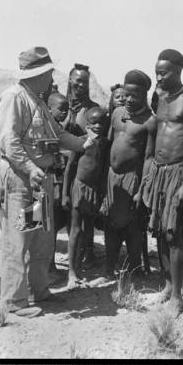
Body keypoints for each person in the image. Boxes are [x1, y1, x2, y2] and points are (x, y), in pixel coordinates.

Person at [0, 46, 97, 318]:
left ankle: (37, 291)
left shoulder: (37, 100)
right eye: (48, 72)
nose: (52, 77)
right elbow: (8, 140)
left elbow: (58, 134)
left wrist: (83, 143)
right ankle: (15, 301)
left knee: (39, 239)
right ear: (37, 74)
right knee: (19, 241)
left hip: (36, 183)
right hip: (21, 181)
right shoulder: (14, 98)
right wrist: (28, 167)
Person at [138, 49, 183, 314]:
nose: (158, 77)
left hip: (179, 172)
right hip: (159, 171)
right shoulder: (159, 97)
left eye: (163, 73)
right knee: (160, 233)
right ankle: (167, 286)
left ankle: (178, 295)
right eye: (156, 72)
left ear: (178, 71)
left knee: (173, 233)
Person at [101, 70, 155, 276]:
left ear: (145, 95)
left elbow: (149, 158)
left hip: (132, 178)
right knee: (110, 224)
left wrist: (142, 188)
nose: (130, 100)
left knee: (132, 226)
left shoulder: (149, 121)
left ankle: (135, 269)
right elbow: (109, 146)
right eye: (127, 94)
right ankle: (108, 268)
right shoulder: (116, 114)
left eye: (136, 95)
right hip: (111, 177)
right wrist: (102, 182)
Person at [64, 106, 110, 289]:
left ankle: (83, 265)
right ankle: (71, 273)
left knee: (88, 229)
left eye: (101, 122)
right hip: (79, 188)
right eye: (93, 122)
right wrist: (65, 195)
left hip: (94, 190)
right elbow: (69, 169)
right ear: (87, 124)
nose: (97, 126)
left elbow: (104, 169)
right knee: (76, 230)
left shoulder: (106, 144)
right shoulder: (81, 142)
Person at [63, 63, 100, 266]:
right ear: (70, 80)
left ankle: (87, 252)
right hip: (59, 166)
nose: (81, 85)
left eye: (85, 82)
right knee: (62, 212)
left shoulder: (92, 110)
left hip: (80, 168)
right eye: (78, 81)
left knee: (83, 214)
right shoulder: (60, 105)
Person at [46, 92, 71, 276]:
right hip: (53, 183)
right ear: (49, 109)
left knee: (57, 223)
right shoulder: (47, 129)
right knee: (50, 226)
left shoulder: (59, 128)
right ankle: (49, 266)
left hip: (62, 182)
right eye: (61, 109)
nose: (64, 112)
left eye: (67, 109)